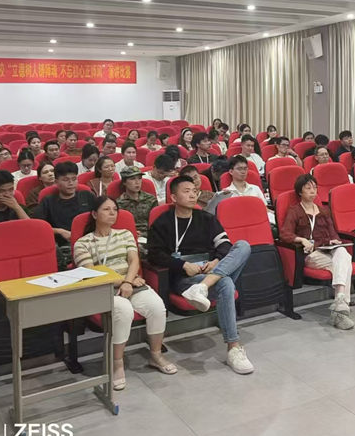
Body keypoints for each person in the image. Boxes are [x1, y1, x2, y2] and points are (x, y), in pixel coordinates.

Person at [146, 176, 255, 374]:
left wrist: (216, 261)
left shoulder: (206, 218)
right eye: (186, 191)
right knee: (226, 283)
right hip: (185, 278)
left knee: (243, 246)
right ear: (173, 197)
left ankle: (204, 286)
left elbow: (224, 244)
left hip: (209, 269)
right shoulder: (163, 222)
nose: (192, 195)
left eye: (195, 191)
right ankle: (233, 347)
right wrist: (182, 265)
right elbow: (154, 254)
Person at [74, 196, 174, 388]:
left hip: (131, 283)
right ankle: (117, 363)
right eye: (106, 210)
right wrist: (126, 281)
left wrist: (128, 282)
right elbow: (92, 273)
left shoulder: (125, 234)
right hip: (103, 289)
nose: (112, 213)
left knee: (157, 307)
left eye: (115, 209)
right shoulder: (83, 243)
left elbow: (134, 260)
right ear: (94, 214)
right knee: (124, 310)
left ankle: (155, 355)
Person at [279, 175, 355, 329]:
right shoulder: (295, 211)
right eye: (308, 188)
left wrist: (334, 241)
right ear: (300, 192)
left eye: (314, 187)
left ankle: (340, 303)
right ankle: (341, 310)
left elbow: (333, 233)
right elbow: (285, 234)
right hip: (310, 254)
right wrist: (301, 239)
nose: (313, 191)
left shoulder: (323, 210)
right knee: (345, 265)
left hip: (327, 249)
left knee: (342, 252)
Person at [34, 161, 96, 267]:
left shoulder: (87, 195)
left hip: (90, 243)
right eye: (66, 180)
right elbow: (38, 227)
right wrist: (59, 231)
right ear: (56, 182)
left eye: (74, 179)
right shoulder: (48, 201)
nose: (71, 183)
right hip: (63, 248)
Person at [215, 155, 274, 223]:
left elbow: (265, 209)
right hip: (237, 223)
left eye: (245, 169)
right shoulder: (226, 193)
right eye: (239, 169)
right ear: (231, 171)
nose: (243, 172)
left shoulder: (255, 188)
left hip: (257, 221)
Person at [116, 166, 157, 241]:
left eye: (139, 178)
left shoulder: (150, 199)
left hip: (149, 236)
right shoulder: (118, 203)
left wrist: (145, 234)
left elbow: (156, 224)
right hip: (127, 237)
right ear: (124, 182)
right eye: (132, 179)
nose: (137, 182)